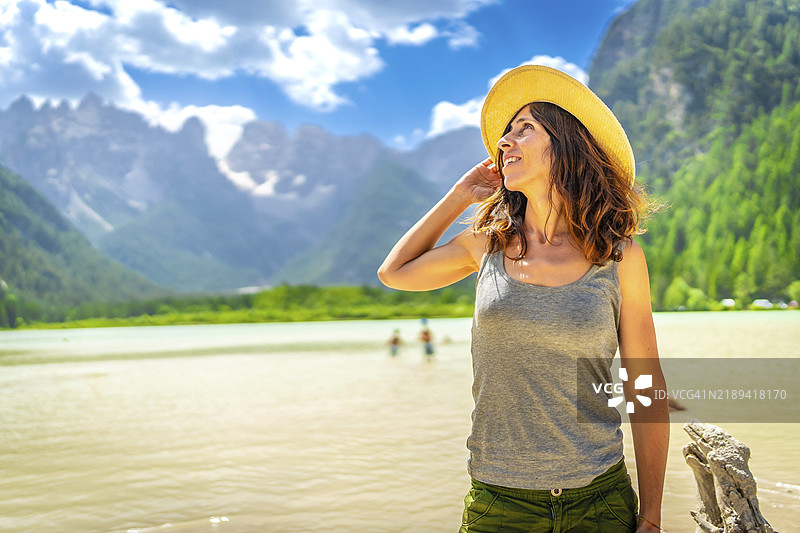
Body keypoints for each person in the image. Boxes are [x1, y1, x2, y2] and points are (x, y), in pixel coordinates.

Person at [378, 65, 669, 532]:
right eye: (505, 133)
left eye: (525, 128)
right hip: (498, 503)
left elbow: (646, 389)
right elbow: (395, 273)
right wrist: (459, 195)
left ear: (567, 145)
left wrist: (651, 516)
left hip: (600, 502)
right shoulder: (487, 244)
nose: (505, 142)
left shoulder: (620, 257)